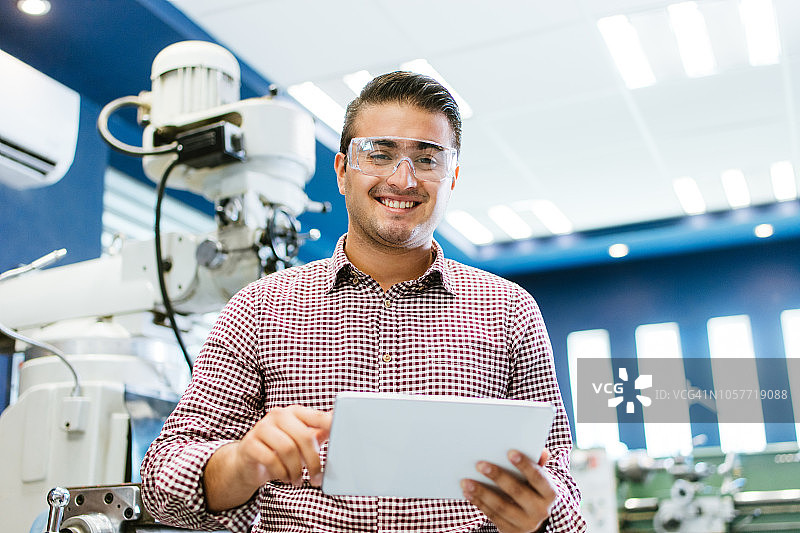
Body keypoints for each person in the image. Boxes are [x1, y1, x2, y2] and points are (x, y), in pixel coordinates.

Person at [141, 71, 587, 533]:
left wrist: (540, 515)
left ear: (452, 177)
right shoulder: (259, 307)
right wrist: (241, 461)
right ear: (341, 172)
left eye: (427, 159)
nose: (403, 178)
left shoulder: (509, 309)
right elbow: (162, 480)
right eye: (379, 154)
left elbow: (562, 491)